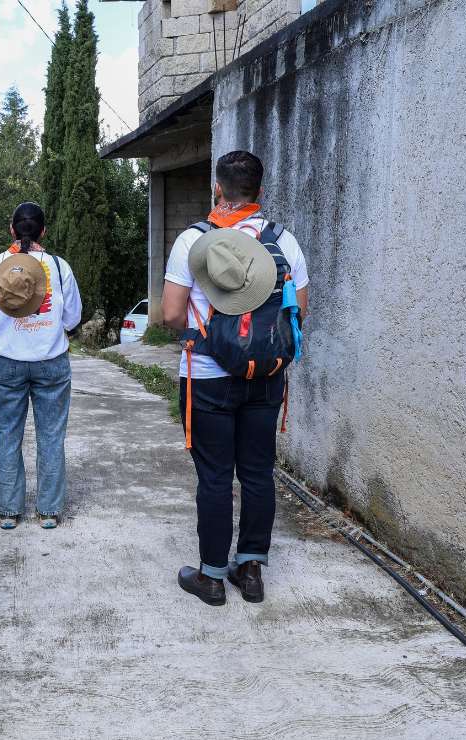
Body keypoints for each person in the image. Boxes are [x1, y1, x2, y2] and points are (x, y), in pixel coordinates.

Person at [161, 151, 310, 606]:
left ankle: (209, 578)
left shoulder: (194, 240)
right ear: (259, 192)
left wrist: (209, 328)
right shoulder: (285, 241)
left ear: (217, 190)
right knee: (258, 473)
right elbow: (299, 313)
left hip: (207, 375)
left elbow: (169, 314)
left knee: (214, 477)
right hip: (267, 375)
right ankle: (250, 570)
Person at [0, 203, 82, 530]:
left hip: (7, 362)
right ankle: (48, 511)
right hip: (51, 362)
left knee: (6, 436)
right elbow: (73, 318)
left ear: (12, 229)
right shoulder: (57, 266)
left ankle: (9, 512)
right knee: (51, 436)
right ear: (43, 231)